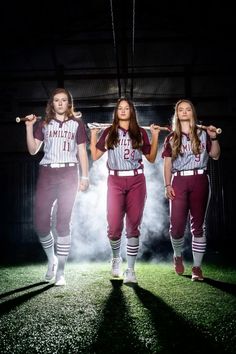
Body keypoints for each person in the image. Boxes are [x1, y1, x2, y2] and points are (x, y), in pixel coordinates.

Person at [90, 97, 160, 284]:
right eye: (119, 108)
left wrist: (154, 136)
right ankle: (115, 259)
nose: (122, 110)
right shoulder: (109, 132)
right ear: (116, 112)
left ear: (131, 111)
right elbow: (95, 156)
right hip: (115, 180)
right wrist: (94, 134)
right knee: (113, 227)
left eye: (126, 108)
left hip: (137, 179)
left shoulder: (139, 133)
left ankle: (130, 270)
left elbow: (152, 158)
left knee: (133, 226)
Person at [25, 88, 89, 286]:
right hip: (47, 173)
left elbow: (81, 152)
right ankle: (51, 259)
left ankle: (60, 271)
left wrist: (85, 176)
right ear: (51, 104)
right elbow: (33, 150)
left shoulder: (77, 124)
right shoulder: (44, 123)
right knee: (41, 223)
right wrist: (29, 127)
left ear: (69, 103)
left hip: (69, 173)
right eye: (56, 100)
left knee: (63, 223)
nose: (60, 103)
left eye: (64, 100)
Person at [162, 99, 221, 281]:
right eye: (181, 110)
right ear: (177, 114)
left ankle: (197, 268)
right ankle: (178, 255)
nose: (185, 112)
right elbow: (167, 163)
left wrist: (213, 137)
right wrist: (167, 184)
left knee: (198, 226)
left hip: (200, 178)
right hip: (179, 179)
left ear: (192, 113)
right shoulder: (171, 137)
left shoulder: (203, 133)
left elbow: (216, 155)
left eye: (188, 109)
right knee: (177, 226)